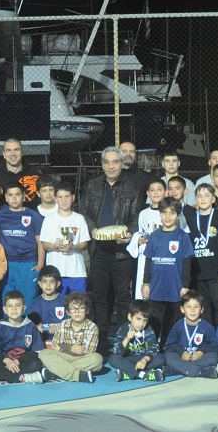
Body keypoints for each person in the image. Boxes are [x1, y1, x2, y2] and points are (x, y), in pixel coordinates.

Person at [81, 146, 143, 348]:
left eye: (115, 162)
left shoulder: (131, 187)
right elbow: (84, 211)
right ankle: (101, 339)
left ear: (122, 164)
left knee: (123, 297)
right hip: (98, 251)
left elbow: (135, 216)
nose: (111, 166)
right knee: (100, 297)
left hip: (121, 254)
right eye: (107, 162)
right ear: (102, 164)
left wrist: (129, 234)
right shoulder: (92, 185)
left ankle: (123, 338)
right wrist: (92, 228)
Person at [142, 196, 195, 346]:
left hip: (176, 288)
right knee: (154, 321)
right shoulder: (154, 236)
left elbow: (187, 263)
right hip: (156, 287)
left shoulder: (182, 236)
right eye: (164, 212)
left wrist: (185, 286)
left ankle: (173, 347)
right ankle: (153, 348)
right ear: (160, 214)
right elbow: (148, 260)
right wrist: (146, 283)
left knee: (175, 322)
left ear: (177, 215)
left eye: (172, 213)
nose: (167, 216)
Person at [0, 182, 45, 314]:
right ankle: (7, 326)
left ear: (24, 196)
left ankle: (28, 326)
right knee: (7, 303)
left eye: (17, 194)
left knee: (27, 303)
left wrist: (40, 265)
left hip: (28, 264)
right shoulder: (0, 216)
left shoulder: (33, 216)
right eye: (10, 195)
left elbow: (40, 242)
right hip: (6, 265)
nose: (14, 198)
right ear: (6, 197)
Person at [0, 290, 45, 384]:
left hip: (22, 362)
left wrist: (18, 361)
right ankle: (22, 377)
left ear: (24, 308)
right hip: (5, 363)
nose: (14, 309)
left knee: (37, 363)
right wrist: (7, 361)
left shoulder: (31, 326)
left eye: (18, 305)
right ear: (5, 309)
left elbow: (36, 352)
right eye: (10, 306)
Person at [184, 184, 218, 324]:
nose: (203, 199)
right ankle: (207, 335)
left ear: (213, 199)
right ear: (195, 199)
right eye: (199, 196)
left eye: (207, 195)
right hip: (198, 272)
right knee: (203, 307)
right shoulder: (190, 218)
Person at [38, 292, 104, 383]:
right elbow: (54, 346)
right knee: (43, 353)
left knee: (97, 359)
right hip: (64, 356)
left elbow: (87, 351)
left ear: (87, 310)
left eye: (81, 308)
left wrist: (62, 349)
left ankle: (55, 373)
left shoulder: (92, 327)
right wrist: (70, 348)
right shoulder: (63, 324)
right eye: (73, 309)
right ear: (68, 312)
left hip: (82, 358)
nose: (77, 312)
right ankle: (77, 375)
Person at [39, 182, 90, 294]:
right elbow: (44, 244)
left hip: (76, 272)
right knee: (58, 304)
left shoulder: (79, 218)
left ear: (73, 197)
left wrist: (73, 247)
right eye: (60, 197)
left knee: (79, 302)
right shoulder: (49, 219)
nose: (63, 200)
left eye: (67, 196)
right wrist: (55, 245)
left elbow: (85, 243)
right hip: (56, 273)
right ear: (55, 199)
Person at [164, 290, 218, 378]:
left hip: (198, 358)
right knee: (168, 356)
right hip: (182, 357)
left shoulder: (207, 327)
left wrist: (201, 352)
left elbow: (214, 344)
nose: (192, 310)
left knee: (213, 357)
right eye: (188, 306)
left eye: (196, 307)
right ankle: (201, 372)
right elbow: (169, 345)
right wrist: (182, 352)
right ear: (182, 309)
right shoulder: (178, 326)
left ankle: (176, 371)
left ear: (202, 309)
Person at [128, 179, 166, 300]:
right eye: (152, 190)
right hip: (145, 257)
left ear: (165, 192)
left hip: (163, 256)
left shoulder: (169, 213)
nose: (156, 193)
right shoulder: (143, 213)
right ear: (148, 193)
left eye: (159, 190)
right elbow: (140, 233)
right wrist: (138, 241)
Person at [111, 299, 166, 382]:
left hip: (143, 358)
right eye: (138, 319)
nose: (141, 324)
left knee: (160, 358)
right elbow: (117, 351)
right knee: (112, 358)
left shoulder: (148, 329)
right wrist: (127, 339)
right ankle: (142, 374)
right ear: (130, 317)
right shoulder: (123, 329)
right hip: (128, 359)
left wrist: (144, 360)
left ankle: (128, 373)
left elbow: (154, 347)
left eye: (145, 320)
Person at [0, 138, 44, 209]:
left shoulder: (36, 176)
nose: (13, 154)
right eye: (8, 150)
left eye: (16, 150)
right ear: (4, 154)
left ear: (22, 152)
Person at [28, 266, 67, 342]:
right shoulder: (36, 303)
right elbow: (33, 325)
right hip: (43, 341)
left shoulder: (65, 301)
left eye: (52, 281)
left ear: (58, 284)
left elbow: (71, 322)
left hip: (62, 339)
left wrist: (60, 327)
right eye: (45, 281)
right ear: (40, 284)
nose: (48, 285)